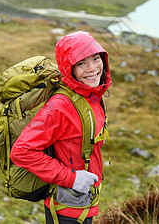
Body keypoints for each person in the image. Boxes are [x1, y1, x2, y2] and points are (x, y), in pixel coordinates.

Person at [10, 31, 112, 224]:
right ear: (69, 68)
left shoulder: (91, 95)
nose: (92, 69)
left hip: (83, 203)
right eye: (81, 63)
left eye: (96, 58)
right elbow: (21, 151)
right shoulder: (60, 106)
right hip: (67, 210)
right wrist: (72, 178)